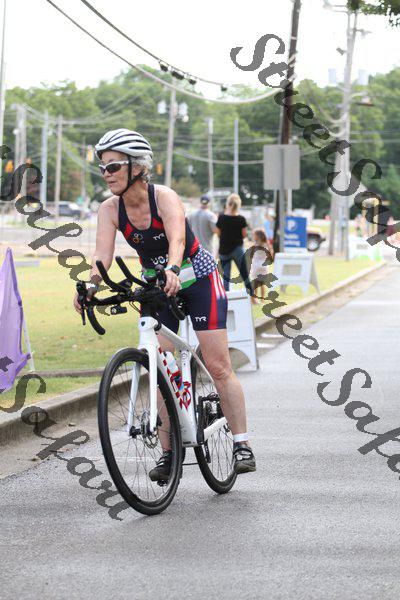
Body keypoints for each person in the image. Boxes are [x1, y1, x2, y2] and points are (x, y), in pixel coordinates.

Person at [72, 129, 256, 478]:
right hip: (157, 286)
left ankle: (241, 443)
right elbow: (102, 256)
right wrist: (90, 286)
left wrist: (173, 267)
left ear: (137, 167)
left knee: (218, 365)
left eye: (113, 166)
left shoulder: (165, 198)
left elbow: (177, 239)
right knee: (159, 365)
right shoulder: (110, 209)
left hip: (198, 278)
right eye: (103, 167)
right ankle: (169, 454)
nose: (106, 174)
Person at [216, 193, 255, 301]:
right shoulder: (241, 219)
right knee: (244, 274)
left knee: (226, 276)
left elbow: (218, 233)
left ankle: (227, 299)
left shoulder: (221, 218)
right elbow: (244, 234)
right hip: (237, 249)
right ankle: (252, 297)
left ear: (228, 204)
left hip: (224, 250)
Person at [249, 228, 272, 301]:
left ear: (257, 236)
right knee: (262, 284)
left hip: (256, 266)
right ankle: (262, 299)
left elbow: (250, 255)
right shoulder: (266, 244)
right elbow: (270, 254)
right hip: (264, 266)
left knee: (255, 283)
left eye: (254, 235)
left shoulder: (255, 245)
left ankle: (255, 299)